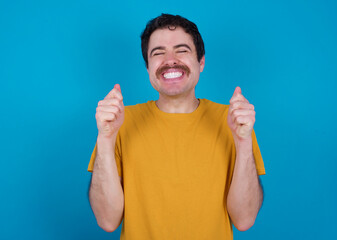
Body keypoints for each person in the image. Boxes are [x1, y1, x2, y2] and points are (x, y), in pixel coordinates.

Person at [88, 13, 266, 240]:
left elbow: (245, 219)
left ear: (201, 62)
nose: (170, 60)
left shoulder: (232, 121)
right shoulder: (119, 123)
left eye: (182, 50)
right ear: (148, 67)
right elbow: (107, 220)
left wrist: (243, 141)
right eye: (158, 53)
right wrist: (105, 138)